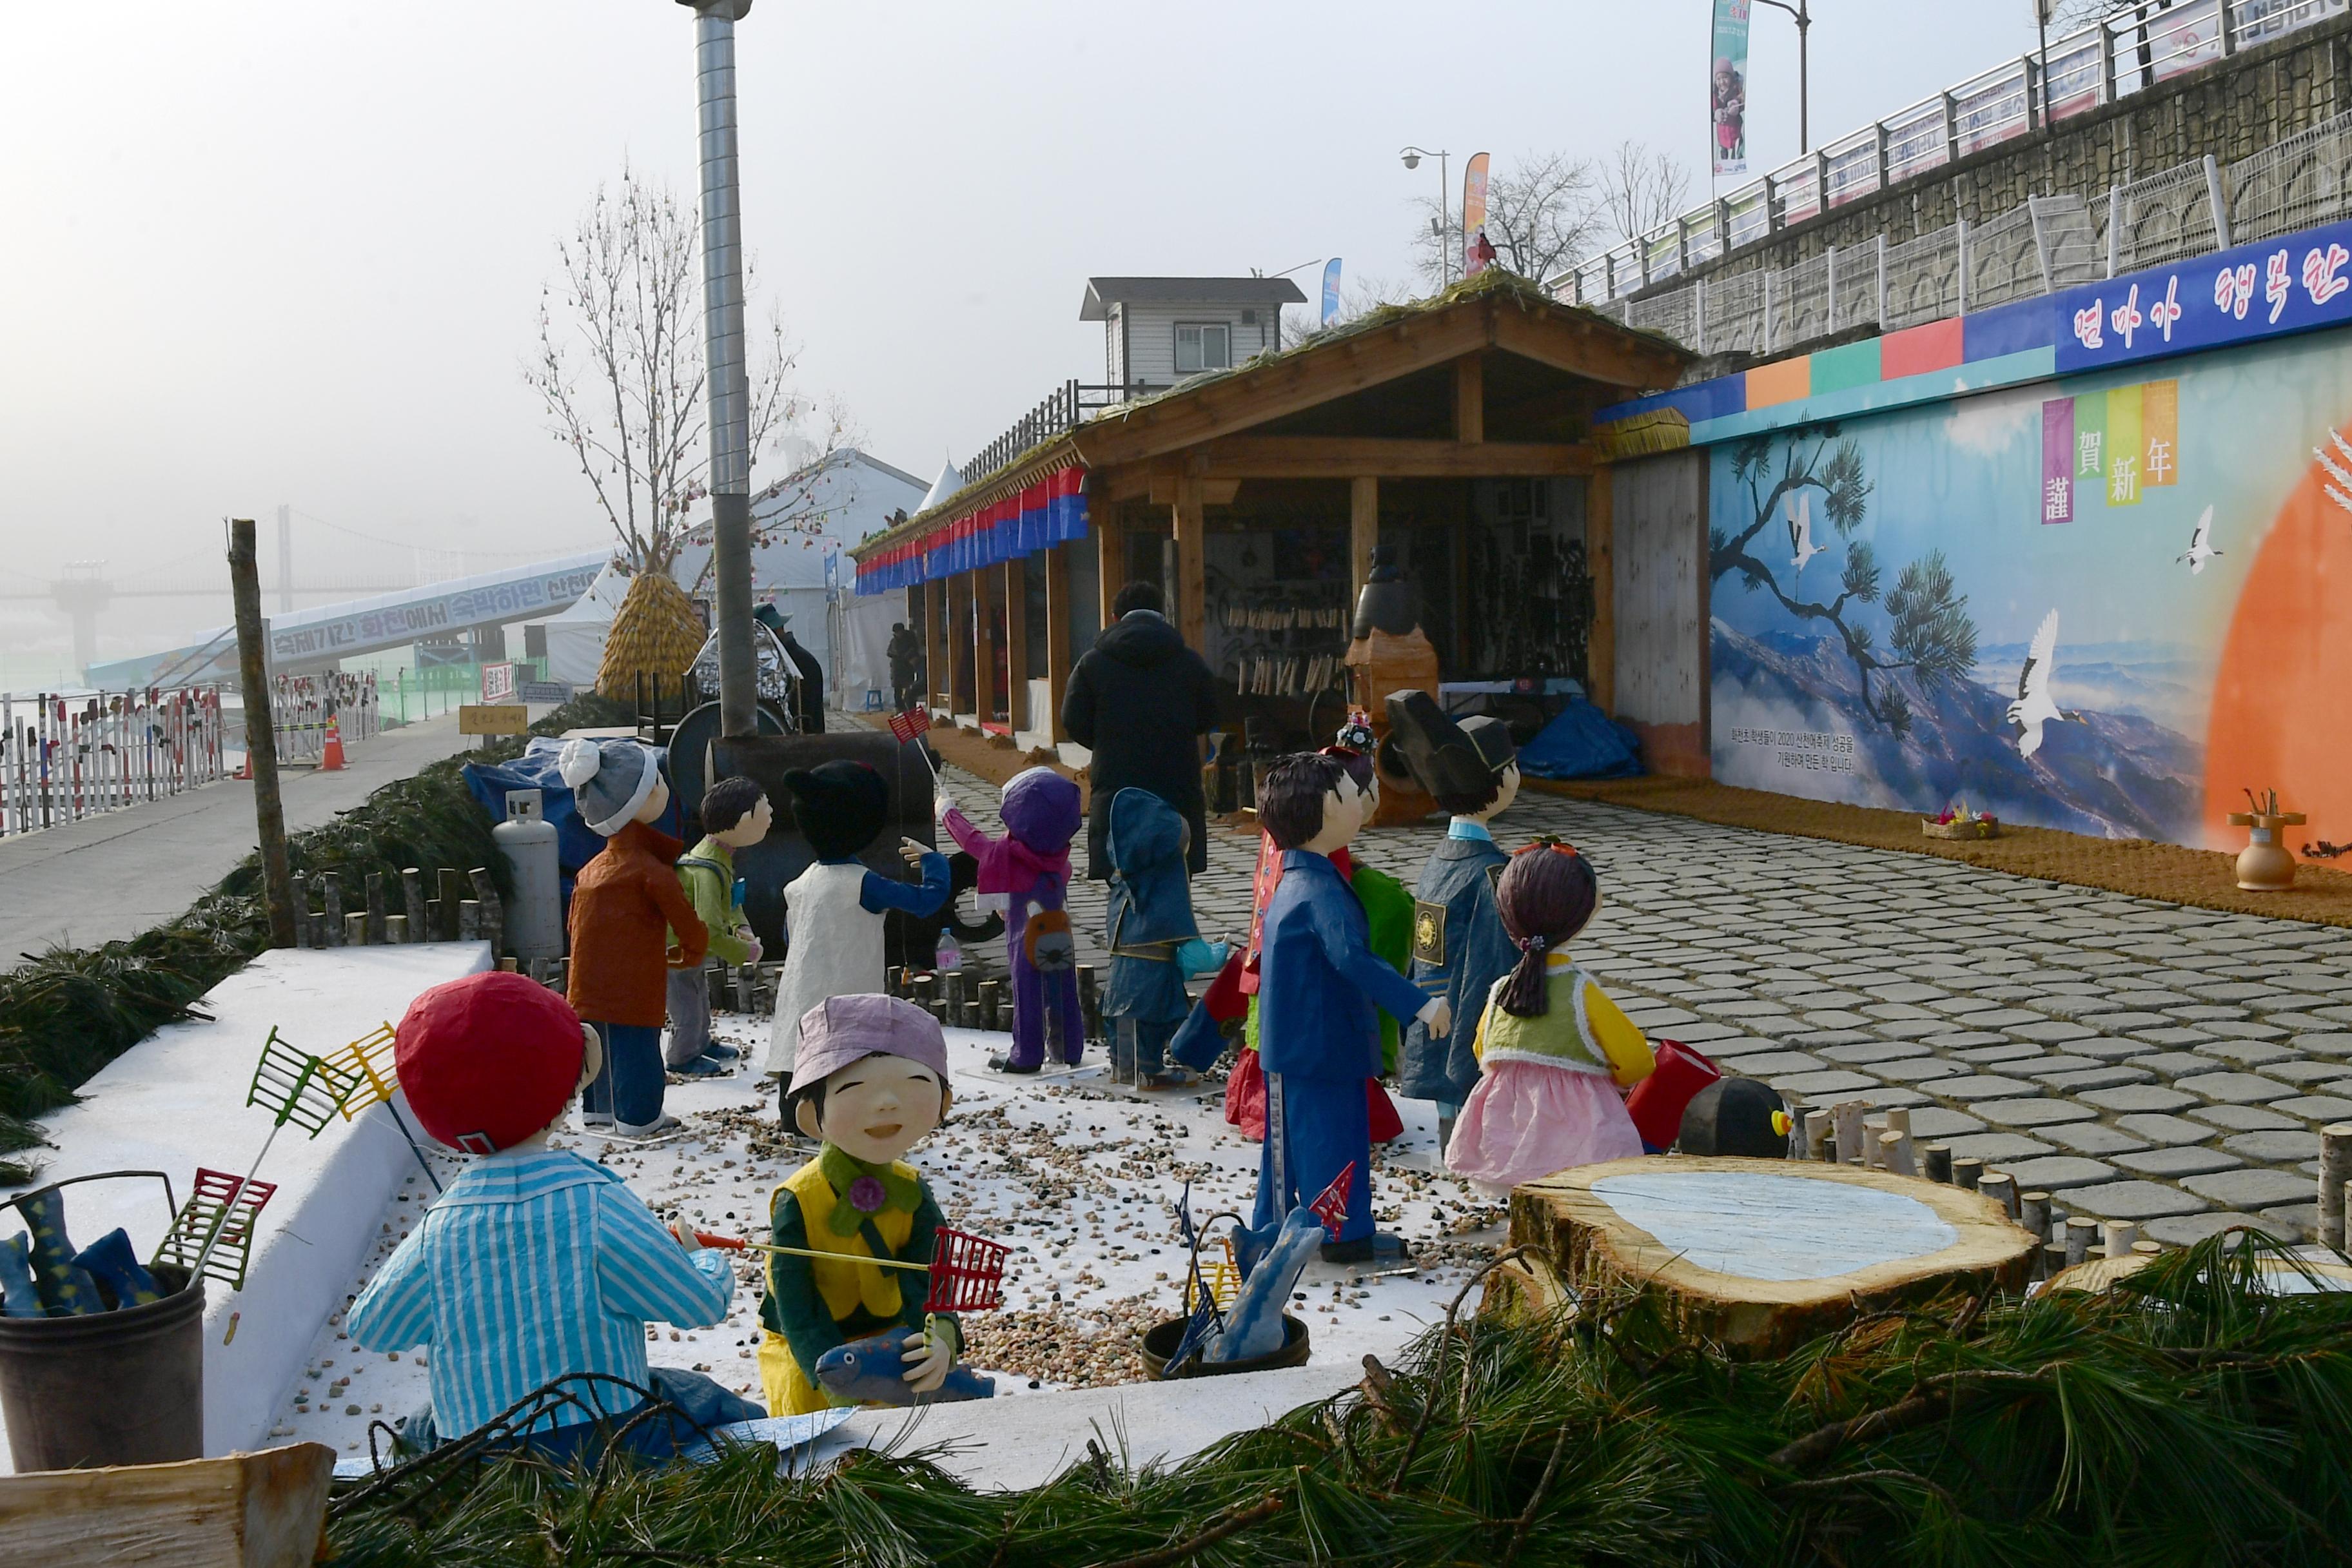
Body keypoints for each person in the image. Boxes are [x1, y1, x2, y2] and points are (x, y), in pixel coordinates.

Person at [348, 972, 761, 1460]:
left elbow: (373, 1327)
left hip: (480, 1456)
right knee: (701, 1398)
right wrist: (702, 1263)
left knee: (419, 1425)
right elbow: (697, 1306)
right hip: (604, 1439)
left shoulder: (440, 1228)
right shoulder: (595, 1203)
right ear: (563, 1086)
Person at [1251, 752, 1449, 1264]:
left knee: (1288, 1144)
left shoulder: (1293, 882)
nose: (1360, 805)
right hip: (1322, 1044)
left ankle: (1271, 1226)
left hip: (1293, 1041)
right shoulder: (1320, 890)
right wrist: (1421, 1006)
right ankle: (1343, 1234)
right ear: (1320, 812)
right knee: (1334, 1138)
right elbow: (1353, 959)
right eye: (1346, 796)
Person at [758, 994, 976, 1415]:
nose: (887, 1104)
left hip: (893, 1339)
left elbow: (934, 1274)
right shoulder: (798, 1200)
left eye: (913, 1086)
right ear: (809, 1116)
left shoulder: (911, 1189)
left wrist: (942, 1337)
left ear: (943, 1106)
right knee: (813, 1439)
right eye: (854, 1088)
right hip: (808, 1354)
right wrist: (837, 1386)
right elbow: (797, 1308)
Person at [1446, 840, 1655, 1197]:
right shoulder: (1580, 992)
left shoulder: (1500, 992)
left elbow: (1484, 1053)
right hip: (1581, 1139)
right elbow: (1637, 1061)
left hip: (1510, 1138)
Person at [1387, 694, 1523, 1154]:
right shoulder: (1491, 873)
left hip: (1429, 1008)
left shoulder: (1438, 860)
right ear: (1501, 782)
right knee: (1469, 1110)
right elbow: (1491, 967)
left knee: (1450, 1108)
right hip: (1464, 1019)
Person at [764, 761, 950, 1087]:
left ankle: (794, 1116)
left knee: (801, 1056)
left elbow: (789, 935)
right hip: (850, 992)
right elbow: (926, 902)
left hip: (802, 991)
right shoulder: (864, 884)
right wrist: (934, 862)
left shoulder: (799, 884)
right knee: (848, 1064)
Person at [562, 738, 705, 1138]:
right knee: (637, 1050)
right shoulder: (649, 869)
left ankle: (599, 1111)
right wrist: (694, 948)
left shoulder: (590, 870)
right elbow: (685, 920)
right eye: (656, 783)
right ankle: (639, 1118)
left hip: (586, 983)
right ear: (639, 802)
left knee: (598, 1047)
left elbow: (573, 926)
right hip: (634, 982)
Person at [1061, 581, 1220, 881]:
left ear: (1115, 618)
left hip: (1116, 780)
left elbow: (1072, 720)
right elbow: (1208, 715)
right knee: (1174, 869)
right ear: (1163, 616)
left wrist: (1104, 742)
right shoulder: (1189, 662)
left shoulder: (1093, 663)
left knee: (1121, 873)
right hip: (1176, 780)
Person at [939, 767, 1085, 1073]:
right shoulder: (1060, 859)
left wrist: (947, 812)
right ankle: (1069, 1048)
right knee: (1063, 986)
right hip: (1059, 930)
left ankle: (1027, 1054)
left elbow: (972, 840)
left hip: (1025, 934)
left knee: (1027, 989)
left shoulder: (1006, 854)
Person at [1102, 787, 1230, 1088]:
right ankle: (1148, 1071)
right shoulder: (1166, 883)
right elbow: (1187, 942)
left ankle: (1122, 1066)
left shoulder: (1125, 881)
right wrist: (1216, 953)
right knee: (1149, 1018)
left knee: (1121, 1016)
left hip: (1122, 969)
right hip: (1151, 971)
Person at [665, 776, 769, 1077]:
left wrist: (742, 927)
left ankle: (701, 1043)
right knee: (686, 1006)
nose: (772, 815)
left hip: (690, 951)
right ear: (744, 820)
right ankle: (681, 1056)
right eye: (766, 811)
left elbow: (732, 902)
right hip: (674, 950)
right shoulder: (706, 870)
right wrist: (743, 952)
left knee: (700, 996)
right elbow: (708, 928)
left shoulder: (718, 857)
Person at [887, 622, 923, 713]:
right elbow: (889, 652)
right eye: (895, 633)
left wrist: (906, 656)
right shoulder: (894, 641)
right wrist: (897, 655)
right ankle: (900, 710)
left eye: (898, 632)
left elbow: (914, 650)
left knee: (910, 690)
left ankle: (911, 710)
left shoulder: (910, 639)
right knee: (897, 690)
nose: (897, 634)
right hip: (897, 668)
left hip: (907, 668)